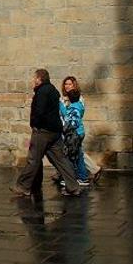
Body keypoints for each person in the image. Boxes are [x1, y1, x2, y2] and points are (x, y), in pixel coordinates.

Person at [13, 69, 82, 197]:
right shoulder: (53, 90)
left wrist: (35, 125)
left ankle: (23, 187)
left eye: (35, 78)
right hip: (55, 131)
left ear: (39, 79)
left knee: (33, 159)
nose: (33, 81)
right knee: (61, 160)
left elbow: (39, 111)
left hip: (43, 131)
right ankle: (73, 187)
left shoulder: (42, 92)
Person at [60, 76, 91, 187]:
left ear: (74, 85)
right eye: (66, 84)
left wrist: (62, 106)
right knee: (77, 154)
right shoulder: (65, 98)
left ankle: (77, 177)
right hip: (72, 131)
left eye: (70, 84)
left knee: (72, 155)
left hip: (74, 132)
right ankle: (81, 177)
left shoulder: (77, 99)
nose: (67, 86)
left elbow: (72, 115)